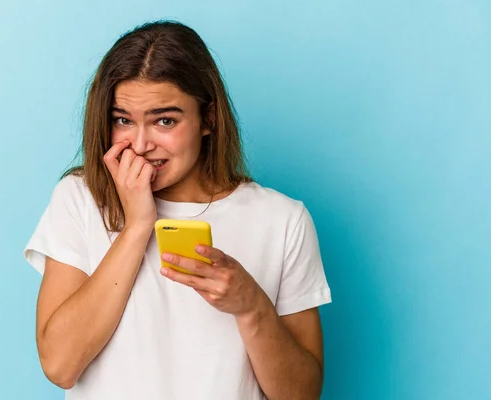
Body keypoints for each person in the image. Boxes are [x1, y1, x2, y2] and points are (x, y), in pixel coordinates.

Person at [24, 20, 332, 400]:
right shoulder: (81, 199)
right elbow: (59, 365)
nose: (140, 144)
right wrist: (137, 225)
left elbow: (302, 395)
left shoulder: (281, 220)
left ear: (210, 119)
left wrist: (252, 307)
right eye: (123, 120)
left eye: (164, 121)